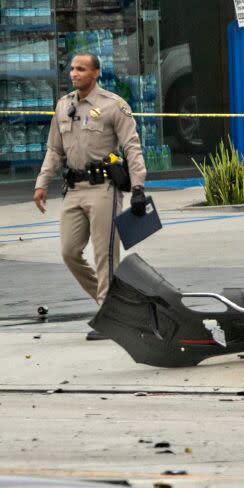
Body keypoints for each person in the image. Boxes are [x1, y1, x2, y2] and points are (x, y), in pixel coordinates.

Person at [33, 53, 148, 341]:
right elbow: (54, 150)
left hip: (103, 189)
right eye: (72, 68)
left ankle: (111, 317)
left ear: (96, 73)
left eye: (81, 69)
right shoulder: (64, 106)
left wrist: (138, 188)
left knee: (105, 255)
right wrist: (41, 183)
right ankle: (115, 306)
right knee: (69, 252)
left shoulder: (113, 105)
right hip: (73, 190)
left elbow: (132, 148)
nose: (74, 73)